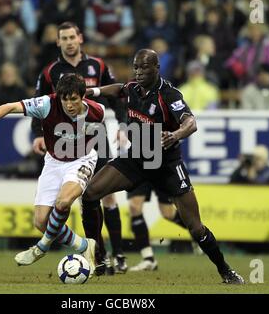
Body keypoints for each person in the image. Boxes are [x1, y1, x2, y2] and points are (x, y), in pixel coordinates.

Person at [82, 49, 245, 284]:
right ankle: (97, 256)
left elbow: (191, 122)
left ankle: (225, 270)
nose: (138, 72)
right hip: (137, 159)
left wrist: (175, 134)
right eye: (135, 67)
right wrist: (92, 91)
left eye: (144, 67)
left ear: (156, 68)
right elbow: (118, 89)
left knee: (195, 227)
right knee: (90, 194)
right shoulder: (133, 89)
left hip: (166, 164)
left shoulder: (168, 94)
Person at [0, 73, 101, 275]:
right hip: (53, 162)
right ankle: (83, 246)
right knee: (41, 222)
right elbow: (11, 106)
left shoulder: (97, 111)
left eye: (73, 99)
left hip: (81, 160)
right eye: (64, 99)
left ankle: (41, 248)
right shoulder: (46, 104)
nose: (69, 105)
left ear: (82, 97)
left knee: (63, 202)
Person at [31, 22, 127, 275]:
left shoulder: (98, 65)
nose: (69, 41)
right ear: (58, 42)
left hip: (97, 133)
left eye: (72, 36)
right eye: (64, 38)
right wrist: (39, 134)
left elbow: (118, 95)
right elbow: (38, 104)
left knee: (106, 194)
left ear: (80, 38)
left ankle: (119, 254)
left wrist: (124, 124)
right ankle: (99, 256)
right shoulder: (50, 72)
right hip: (64, 139)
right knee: (85, 197)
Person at [127, 182, 189, 271]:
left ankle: (200, 232)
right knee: (134, 207)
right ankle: (148, 259)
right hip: (139, 170)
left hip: (159, 170)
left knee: (168, 213)